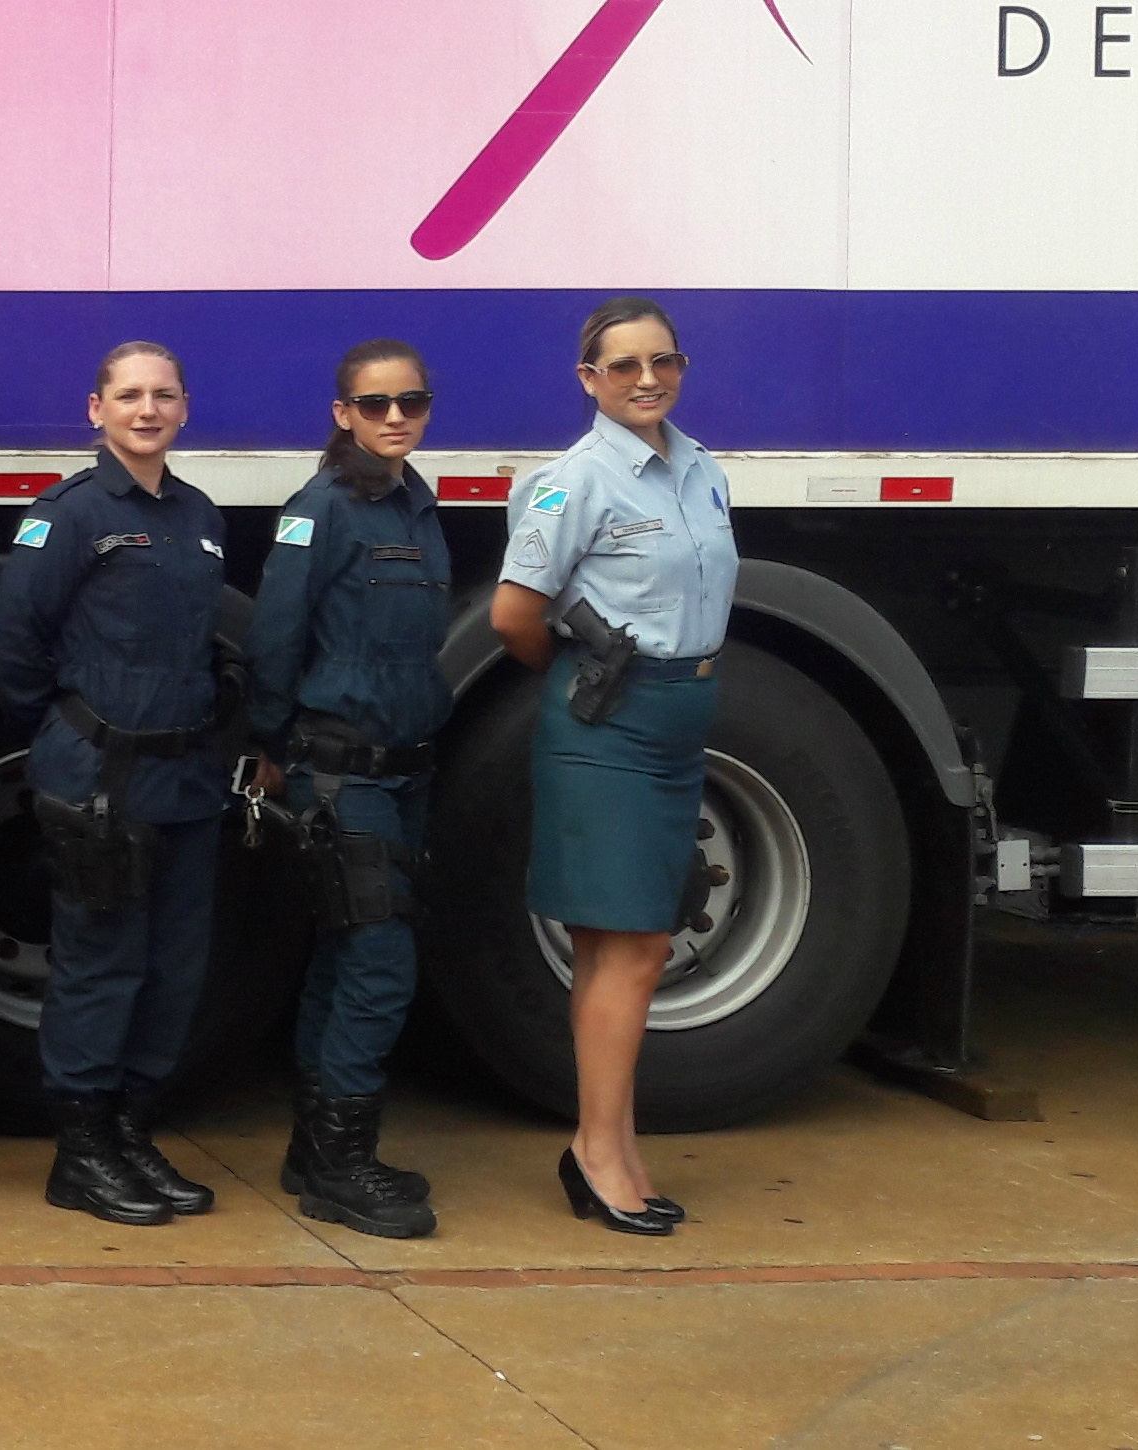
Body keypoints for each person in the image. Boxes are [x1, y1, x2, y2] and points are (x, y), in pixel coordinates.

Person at [492, 296, 735, 1237]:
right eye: (624, 366)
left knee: (625, 944)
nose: (647, 379)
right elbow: (516, 615)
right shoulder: (573, 483)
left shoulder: (703, 468)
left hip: (679, 722)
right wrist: (580, 684)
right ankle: (598, 1155)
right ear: (588, 380)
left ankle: (614, 1147)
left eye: (662, 361)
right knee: (630, 947)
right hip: (609, 726)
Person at [0, 340, 234, 1229]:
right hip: (101, 775)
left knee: (173, 968)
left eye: (163, 395)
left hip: (186, 779)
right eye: (129, 395)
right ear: (97, 410)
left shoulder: (200, 515)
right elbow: (15, 643)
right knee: (101, 964)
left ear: (184, 407)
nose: (147, 410)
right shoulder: (70, 514)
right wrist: (65, 733)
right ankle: (82, 1151)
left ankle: (132, 1133)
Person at [245, 338, 456, 1241]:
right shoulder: (320, 509)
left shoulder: (419, 505)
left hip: (403, 771)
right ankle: (342, 1166)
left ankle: (314, 1151)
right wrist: (271, 746)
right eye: (375, 404)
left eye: (411, 401)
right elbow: (273, 640)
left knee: (344, 959)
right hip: (340, 774)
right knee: (378, 963)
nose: (395, 417)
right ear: (343, 414)